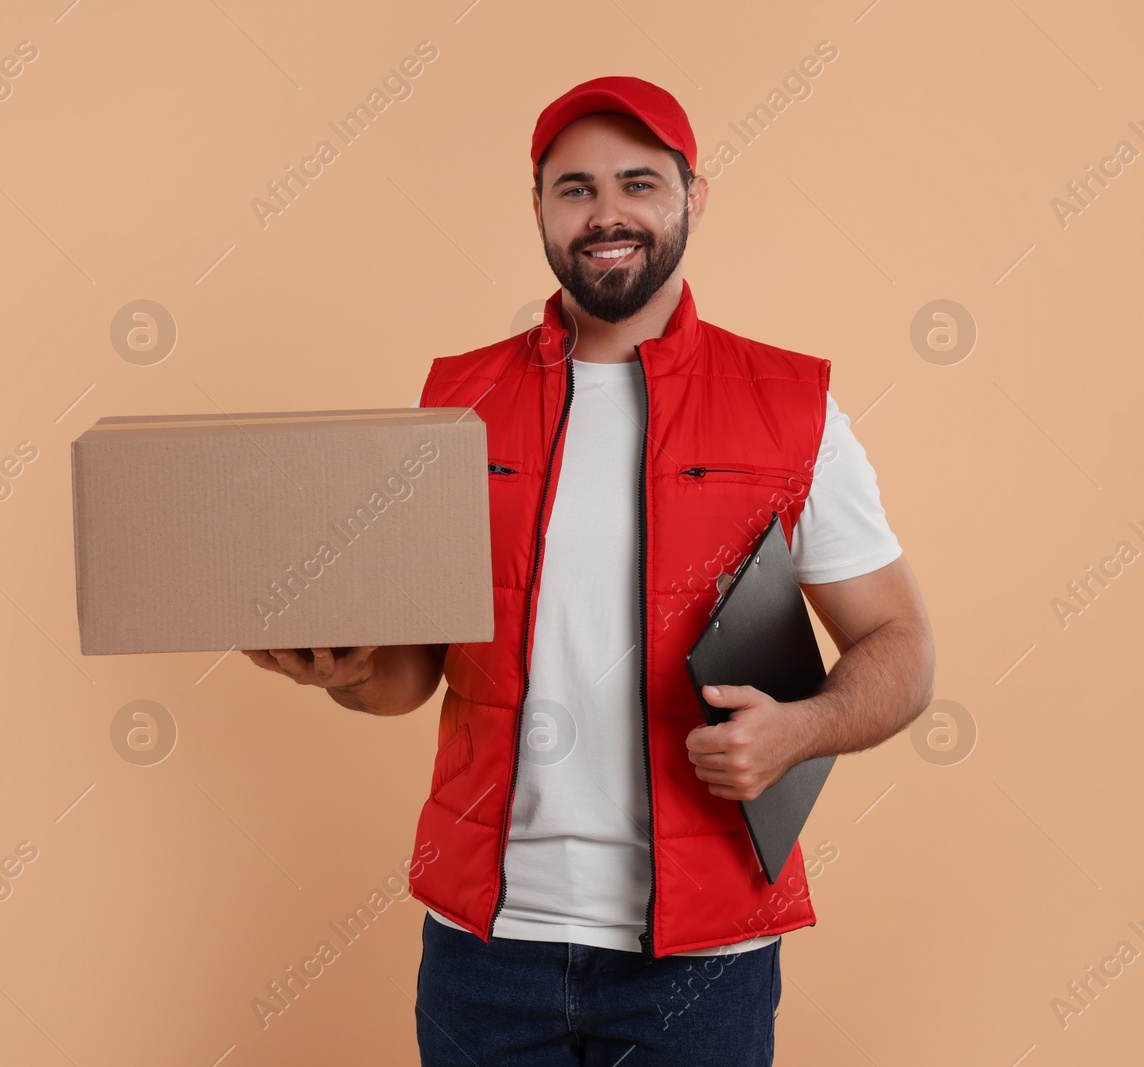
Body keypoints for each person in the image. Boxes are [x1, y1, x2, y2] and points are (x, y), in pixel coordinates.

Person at [242, 75, 934, 1066]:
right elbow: (408, 677)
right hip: (488, 949)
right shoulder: (457, 399)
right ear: (537, 207)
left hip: (701, 958)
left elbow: (899, 646)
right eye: (574, 188)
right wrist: (337, 670)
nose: (606, 212)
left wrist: (801, 729)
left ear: (693, 199)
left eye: (637, 182)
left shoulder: (793, 405)